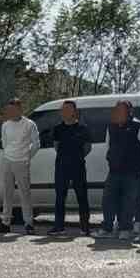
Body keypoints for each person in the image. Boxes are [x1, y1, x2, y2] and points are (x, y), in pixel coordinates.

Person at [102, 100, 140, 241]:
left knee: (128, 202)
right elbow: (108, 146)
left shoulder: (139, 127)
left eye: (122, 110)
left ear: (130, 112)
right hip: (114, 171)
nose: (119, 113)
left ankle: (125, 229)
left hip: (132, 172)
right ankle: (107, 228)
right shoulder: (111, 127)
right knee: (108, 200)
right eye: (117, 110)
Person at [0, 98, 39, 234]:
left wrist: (27, 157)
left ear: (20, 109)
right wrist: (7, 155)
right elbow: (4, 143)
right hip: (8, 161)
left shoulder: (29, 124)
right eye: (9, 110)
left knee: (25, 193)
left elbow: (36, 144)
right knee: (7, 193)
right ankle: (5, 223)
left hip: (22, 162)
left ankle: (29, 223)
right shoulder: (5, 125)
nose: (11, 112)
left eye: (13, 109)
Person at [49, 100, 93, 235]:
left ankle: (85, 227)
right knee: (60, 197)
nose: (64, 112)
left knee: (82, 197)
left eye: (67, 109)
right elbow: (56, 146)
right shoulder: (57, 128)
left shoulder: (83, 128)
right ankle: (59, 227)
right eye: (62, 110)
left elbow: (88, 147)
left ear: (74, 111)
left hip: (78, 166)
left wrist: (77, 157)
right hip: (61, 167)